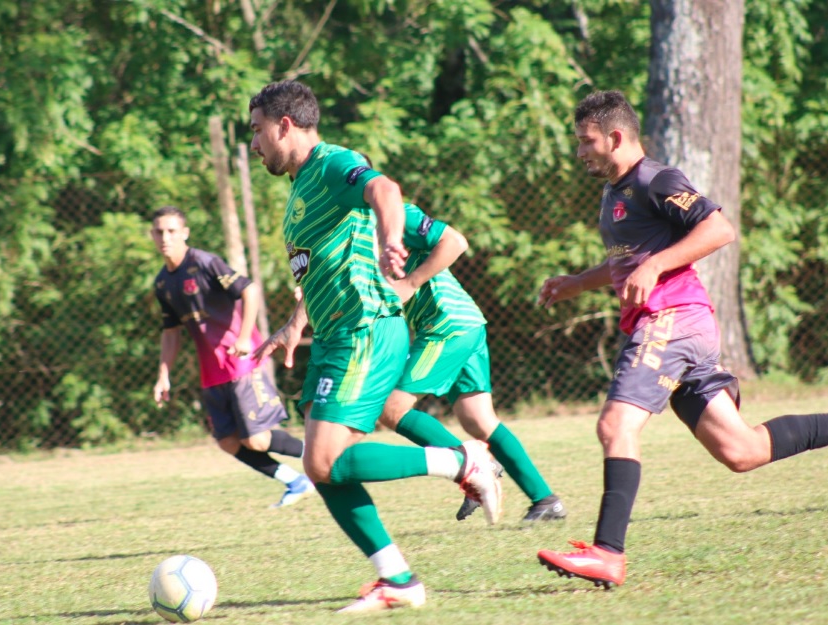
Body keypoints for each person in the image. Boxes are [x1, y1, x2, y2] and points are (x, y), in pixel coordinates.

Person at [535, 90, 828, 589]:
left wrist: (656, 264)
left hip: (671, 318)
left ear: (616, 136)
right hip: (676, 324)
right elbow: (624, 261)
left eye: (586, 142)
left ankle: (608, 553)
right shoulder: (614, 193)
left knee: (615, 425)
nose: (580, 152)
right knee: (742, 451)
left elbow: (718, 229)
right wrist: (573, 283)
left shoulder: (656, 179)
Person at [248, 80, 502, 613]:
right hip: (336, 336)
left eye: (256, 131)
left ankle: (462, 461)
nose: (254, 145)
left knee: (322, 460)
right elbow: (322, 269)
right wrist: (298, 322)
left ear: (284, 125)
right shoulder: (300, 190)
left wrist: (392, 241)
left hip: (365, 330)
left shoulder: (332, 163)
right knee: (324, 468)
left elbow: (384, 190)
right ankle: (398, 580)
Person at [373, 198, 567, 524]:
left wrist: (411, 282)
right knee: (478, 420)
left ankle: (473, 462)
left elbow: (455, 242)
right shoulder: (361, 231)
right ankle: (545, 500)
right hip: (462, 324)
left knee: (392, 408)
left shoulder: (397, 214)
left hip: (447, 326)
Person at [150, 206, 314, 509]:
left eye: (172, 230)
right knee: (227, 442)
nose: (165, 237)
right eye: (159, 231)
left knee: (257, 440)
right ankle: (296, 481)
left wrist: (243, 336)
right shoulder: (163, 283)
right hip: (211, 372)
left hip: (241, 363)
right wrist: (164, 374)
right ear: (152, 235)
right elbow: (170, 331)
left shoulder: (205, 263)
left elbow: (249, 290)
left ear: (185, 233)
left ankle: (321, 455)